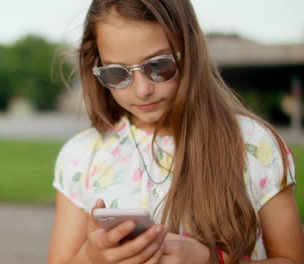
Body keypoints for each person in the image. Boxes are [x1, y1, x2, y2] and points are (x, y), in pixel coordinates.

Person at [47, 0, 304, 263]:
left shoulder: (253, 145)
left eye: (158, 66)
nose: (142, 89)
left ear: (191, 52)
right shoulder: (81, 157)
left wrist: (211, 260)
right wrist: (91, 258)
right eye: (116, 73)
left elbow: (291, 258)